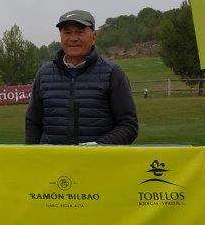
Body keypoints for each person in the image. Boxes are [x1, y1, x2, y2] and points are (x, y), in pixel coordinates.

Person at [25, 10, 138, 145]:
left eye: (80, 32)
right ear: (61, 37)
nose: (73, 38)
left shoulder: (113, 73)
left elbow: (128, 125)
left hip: (97, 162)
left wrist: (99, 146)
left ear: (94, 37)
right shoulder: (44, 74)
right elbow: (33, 123)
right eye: (67, 32)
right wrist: (34, 156)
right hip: (53, 163)